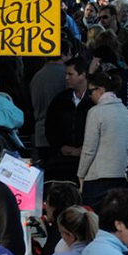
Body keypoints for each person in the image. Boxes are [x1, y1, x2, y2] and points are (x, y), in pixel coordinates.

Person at [78, 70, 128, 207]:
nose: (90, 96)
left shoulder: (96, 112)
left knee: (94, 221)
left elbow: (89, 149)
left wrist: (81, 174)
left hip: (98, 176)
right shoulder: (125, 111)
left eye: (90, 92)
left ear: (100, 90)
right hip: (121, 174)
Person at [42, 56, 93, 184]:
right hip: (61, 160)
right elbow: (50, 127)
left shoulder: (94, 102)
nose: (66, 78)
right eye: (66, 74)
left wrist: (82, 150)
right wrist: (60, 147)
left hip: (87, 162)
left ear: (82, 75)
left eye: (70, 74)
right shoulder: (60, 100)